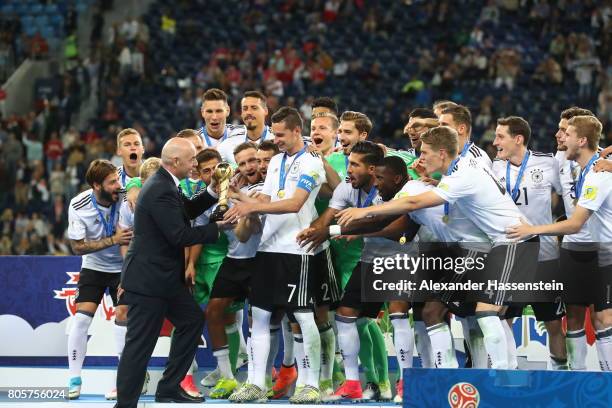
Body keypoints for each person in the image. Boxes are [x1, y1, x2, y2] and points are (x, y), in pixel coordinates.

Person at [337, 126, 540, 370]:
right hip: (488, 246)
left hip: (511, 243)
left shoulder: (459, 178)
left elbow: (412, 203)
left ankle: (502, 377)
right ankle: (469, 375)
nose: (420, 159)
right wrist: (436, 179)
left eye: (424, 153)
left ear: (442, 153)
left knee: (487, 314)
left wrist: (364, 211)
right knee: (462, 313)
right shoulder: (464, 169)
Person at [115, 138, 232, 407]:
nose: (195, 163)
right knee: (139, 347)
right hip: (149, 282)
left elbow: (186, 211)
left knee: (191, 321)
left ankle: (168, 388)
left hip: (165, 279)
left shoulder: (166, 183)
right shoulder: (160, 188)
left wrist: (213, 192)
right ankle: (125, 404)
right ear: (176, 161)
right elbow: (179, 235)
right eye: (192, 159)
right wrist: (218, 228)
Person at [225, 107, 327, 404]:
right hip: (268, 249)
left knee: (303, 317)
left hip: (297, 250)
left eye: (281, 134)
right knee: (259, 317)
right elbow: (269, 199)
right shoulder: (277, 161)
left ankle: (310, 385)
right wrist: (239, 196)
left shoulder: (312, 164)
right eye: (275, 133)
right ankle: (256, 383)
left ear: (297, 131)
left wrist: (252, 207)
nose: (276, 139)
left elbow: (295, 204)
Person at [297, 142, 403, 402]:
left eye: (354, 165)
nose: (348, 170)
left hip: (401, 259)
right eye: (348, 164)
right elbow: (329, 217)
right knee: (345, 314)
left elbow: (388, 224)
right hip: (369, 260)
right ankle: (353, 383)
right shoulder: (346, 187)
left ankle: (402, 384)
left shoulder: (391, 188)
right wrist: (313, 231)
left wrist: (339, 230)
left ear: (372, 168)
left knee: (400, 318)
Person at [507, 115, 612, 372]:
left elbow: (575, 223)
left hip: (605, 252)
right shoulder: (561, 161)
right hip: (574, 250)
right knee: (574, 317)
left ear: (582, 139)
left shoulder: (600, 173)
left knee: (604, 319)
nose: (560, 137)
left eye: (566, 132)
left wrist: (533, 229)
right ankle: (577, 382)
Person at [492, 116, 566, 370]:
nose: (495, 142)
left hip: (545, 257)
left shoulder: (547, 164)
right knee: (503, 318)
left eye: (501, 136)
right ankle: (508, 375)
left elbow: (569, 194)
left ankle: (561, 375)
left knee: (554, 323)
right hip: (511, 258)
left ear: (518, 139)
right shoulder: (494, 168)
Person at [66, 159, 133, 400]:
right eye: (112, 182)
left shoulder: (127, 196)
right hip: (93, 266)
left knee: (123, 316)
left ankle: (123, 379)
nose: (118, 185)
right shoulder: (78, 204)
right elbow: (77, 247)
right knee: (81, 320)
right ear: (96, 186)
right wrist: (113, 240)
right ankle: (74, 378)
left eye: (118, 179)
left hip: (123, 267)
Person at [205, 142, 266, 399]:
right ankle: (227, 376)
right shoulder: (228, 191)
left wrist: (237, 197)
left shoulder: (266, 187)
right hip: (234, 260)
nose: (249, 166)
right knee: (214, 310)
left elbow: (244, 232)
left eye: (252, 160)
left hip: (262, 260)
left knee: (261, 321)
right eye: (242, 163)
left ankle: (261, 379)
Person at [217, 91, 273, 165]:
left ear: (265, 111)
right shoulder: (228, 144)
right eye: (245, 109)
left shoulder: (277, 140)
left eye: (254, 108)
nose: (248, 112)